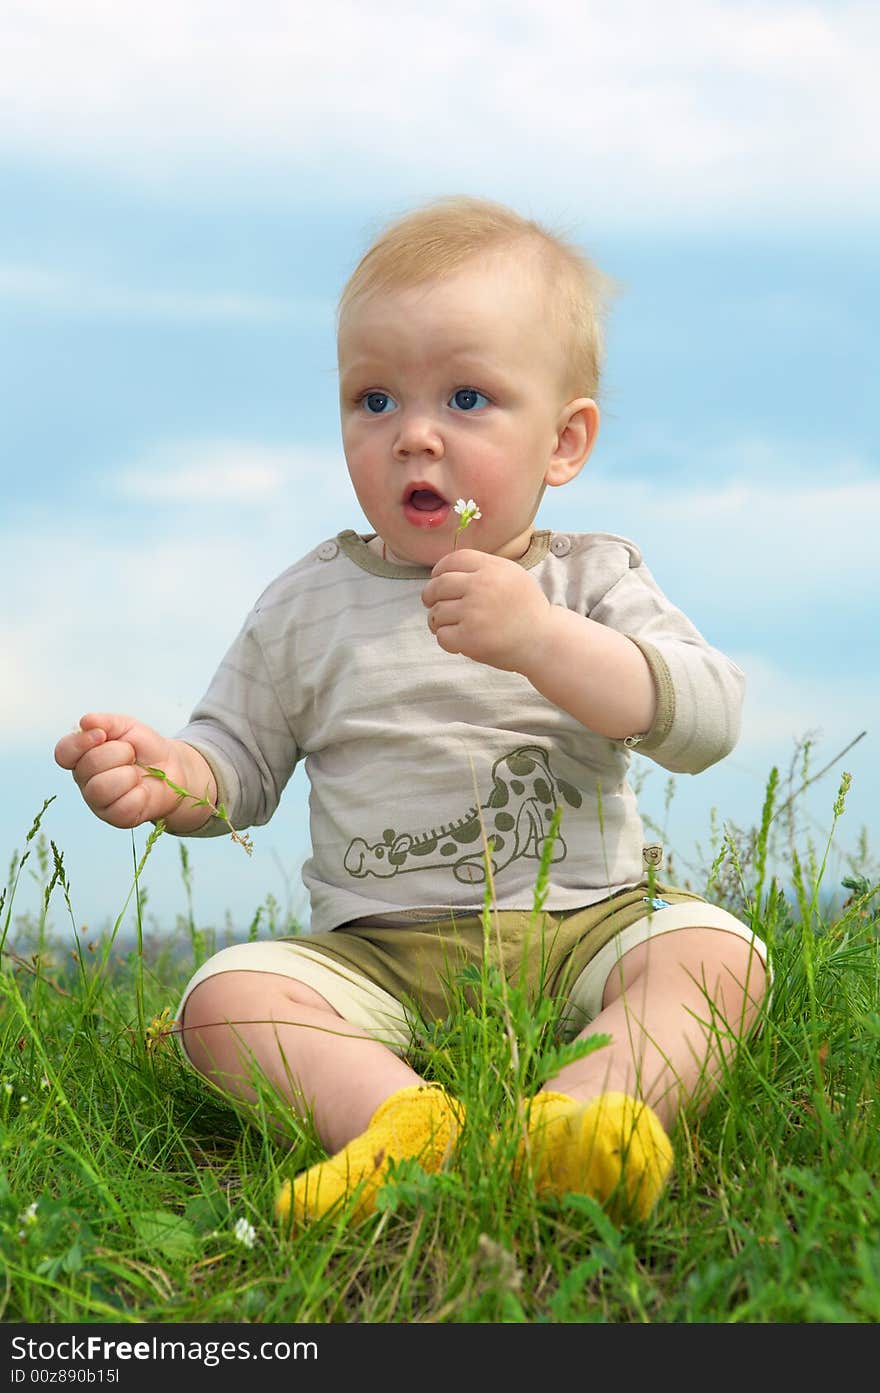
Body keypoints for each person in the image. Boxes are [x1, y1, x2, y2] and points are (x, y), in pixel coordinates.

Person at [54, 195, 769, 1228]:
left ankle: (583, 1112)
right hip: (377, 950)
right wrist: (170, 770)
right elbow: (238, 765)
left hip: (584, 924)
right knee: (225, 997)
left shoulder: (586, 580)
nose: (413, 437)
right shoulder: (308, 604)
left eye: (467, 398)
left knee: (714, 956)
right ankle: (397, 1122)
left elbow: (706, 717)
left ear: (563, 443)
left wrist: (542, 641)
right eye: (374, 399)